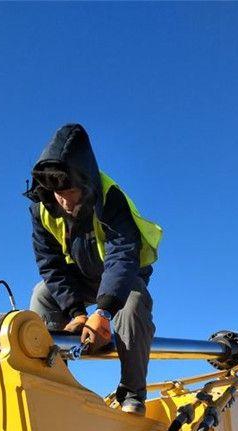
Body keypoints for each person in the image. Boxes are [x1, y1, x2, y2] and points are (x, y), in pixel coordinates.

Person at [25, 123, 162, 415]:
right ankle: (48, 383)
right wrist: (76, 312)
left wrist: (103, 313)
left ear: (85, 183)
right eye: (57, 192)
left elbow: (123, 256)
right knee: (42, 294)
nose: (64, 200)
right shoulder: (42, 208)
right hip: (83, 278)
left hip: (123, 277)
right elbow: (50, 265)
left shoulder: (110, 198)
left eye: (71, 191)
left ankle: (132, 393)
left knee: (134, 301)